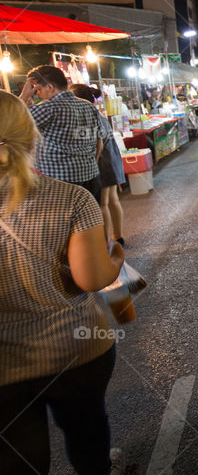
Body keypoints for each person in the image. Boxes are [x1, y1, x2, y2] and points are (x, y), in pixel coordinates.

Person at [0, 90, 125, 474]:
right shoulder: (72, 199)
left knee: (19, 457)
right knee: (87, 438)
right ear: (33, 134)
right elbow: (92, 279)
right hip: (75, 350)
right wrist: (116, 257)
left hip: (5, 364)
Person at [18, 65, 106, 204]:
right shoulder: (88, 106)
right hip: (91, 176)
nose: (37, 94)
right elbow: (99, 144)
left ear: (51, 87)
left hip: (59, 180)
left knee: (62, 225)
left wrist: (23, 97)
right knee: (91, 222)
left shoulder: (48, 108)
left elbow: (9, 122)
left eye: (38, 89)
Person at [70, 85, 126, 247]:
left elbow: (97, 145)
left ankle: (106, 242)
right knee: (113, 200)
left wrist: (92, 163)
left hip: (101, 160)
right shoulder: (98, 113)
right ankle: (118, 236)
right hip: (112, 157)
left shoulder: (86, 114)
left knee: (103, 203)